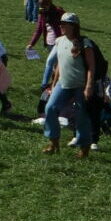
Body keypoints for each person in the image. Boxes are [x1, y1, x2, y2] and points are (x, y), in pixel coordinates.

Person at [42, 13, 93, 156]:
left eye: (65, 23)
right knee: (50, 108)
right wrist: (53, 84)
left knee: (81, 115)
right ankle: (53, 142)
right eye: (61, 23)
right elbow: (59, 64)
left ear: (74, 26)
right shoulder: (59, 41)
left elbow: (91, 67)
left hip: (80, 85)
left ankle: (84, 147)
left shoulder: (85, 43)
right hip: (62, 83)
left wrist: (89, 86)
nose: (61, 26)